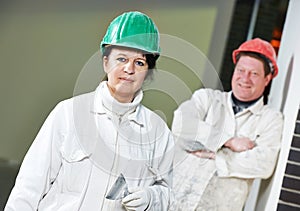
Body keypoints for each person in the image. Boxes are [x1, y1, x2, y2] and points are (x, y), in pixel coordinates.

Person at [5, 11, 174, 211]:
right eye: (121, 59)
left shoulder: (158, 132)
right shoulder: (68, 113)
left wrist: (151, 198)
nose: (129, 69)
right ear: (106, 62)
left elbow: (168, 194)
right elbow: (28, 188)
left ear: (147, 72)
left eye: (139, 62)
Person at [170, 38, 283, 211]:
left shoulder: (270, 119)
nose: (245, 78)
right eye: (241, 70)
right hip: (172, 200)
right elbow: (181, 125)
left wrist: (215, 155)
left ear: (267, 79)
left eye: (254, 73)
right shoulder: (206, 98)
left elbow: (263, 163)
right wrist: (229, 142)